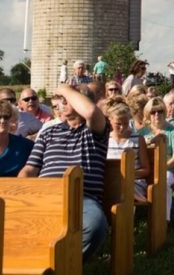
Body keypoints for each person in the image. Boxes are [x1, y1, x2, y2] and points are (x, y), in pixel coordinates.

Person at [20, 84, 109, 260]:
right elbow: (30, 169)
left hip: (82, 197)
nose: (63, 103)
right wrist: (22, 193)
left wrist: (64, 88)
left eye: (68, 100)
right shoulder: (48, 132)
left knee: (95, 226)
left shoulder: (94, 131)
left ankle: (64, 264)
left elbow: (91, 113)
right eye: (62, 100)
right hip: (46, 195)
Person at [139, 97, 174, 218]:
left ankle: (164, 219)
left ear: (164, 112)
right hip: (146, 170)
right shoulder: (142, 132)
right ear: (148, 114)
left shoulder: (173, 132)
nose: (156, 114)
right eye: (153, 112)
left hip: (167, 169)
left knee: (163, 181)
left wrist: (161, 168)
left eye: (160, 111)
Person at [106, 100, 149, 202]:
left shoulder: (138, 139)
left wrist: (128, 174)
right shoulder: (105, 139)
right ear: (110, 120)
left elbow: (146, 169)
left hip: (134, 181)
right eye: (118, 124)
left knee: (122, 189)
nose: (122, 127)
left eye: (125, 123)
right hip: (111, 181)